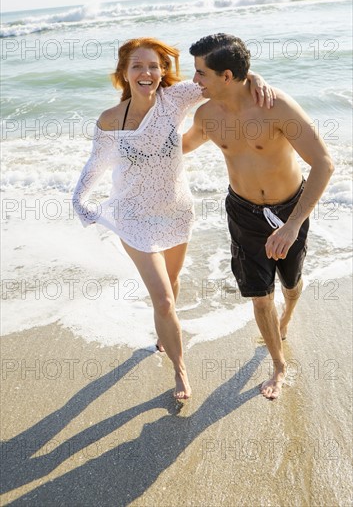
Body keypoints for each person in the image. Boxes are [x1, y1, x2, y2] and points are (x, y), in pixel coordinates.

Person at [72, 37, 274, 400]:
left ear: (163, 71)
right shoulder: (109, 120)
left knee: (173, 284)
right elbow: (96, 165)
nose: (146, 72)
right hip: (134, 217)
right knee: (164, 300)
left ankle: (164, 334)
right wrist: (79, 199)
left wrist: (255, 76)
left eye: (154, 66)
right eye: (137, 66)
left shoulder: (176, 98)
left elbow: (222, 79)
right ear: (124, 73)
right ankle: (180, 371)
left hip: (177, 210)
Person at [183, 33, 334, 400]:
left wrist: (293, 224)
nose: (194, 81)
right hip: (243, 212)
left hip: (289, 210)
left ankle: (288, 315)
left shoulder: (276, 107)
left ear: (228, 77)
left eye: (201, 73)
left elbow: (324, 164)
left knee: (291, 284)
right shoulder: (206, 114)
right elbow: (181, 147)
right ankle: (279, 366)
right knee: (260, 296)